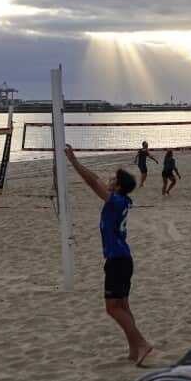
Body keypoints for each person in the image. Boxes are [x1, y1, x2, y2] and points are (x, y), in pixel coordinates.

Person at [62, 146, 153, 365]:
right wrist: (79, 162)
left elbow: (92, 183)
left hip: (117, 260)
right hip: (122, 259)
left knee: (112, 308)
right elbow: (96, 180)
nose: (108, 181)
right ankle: (135, 349)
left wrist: (73, 161)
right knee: (123, 306)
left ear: (118, 187)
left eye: (112, 179)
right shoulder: (122, 201)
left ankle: (141, 343)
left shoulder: (116, 202)